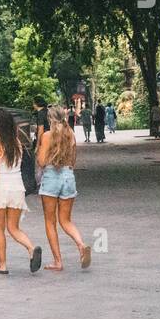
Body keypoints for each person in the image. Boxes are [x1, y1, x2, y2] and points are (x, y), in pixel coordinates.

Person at [0, 109, 42, 274]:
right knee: (13, 227)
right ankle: (32, 248)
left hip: (1, 188)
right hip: (17, 188)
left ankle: (2, 265)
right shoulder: (17, 144)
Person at [37, 105, 92, 271]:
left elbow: (41, 161)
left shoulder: (47, 136)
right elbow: (74, 160)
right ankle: (81, 244)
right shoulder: (71, 134)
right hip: (68, 176)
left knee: (50, 221)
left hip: (51, 177)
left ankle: (58, 261)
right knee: (66, 220)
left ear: (50, 119)